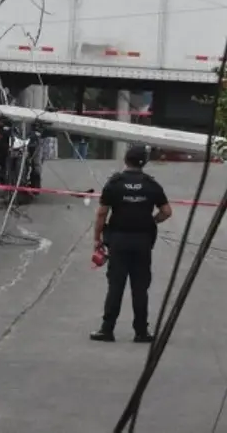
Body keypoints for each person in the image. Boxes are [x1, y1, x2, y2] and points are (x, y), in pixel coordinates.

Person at [90, 144, 172, 343]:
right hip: (143, 242)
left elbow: (102, 213)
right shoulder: (151, 185)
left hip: (118, 241)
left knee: (115, 286)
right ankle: (141, 332)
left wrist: (97, 238)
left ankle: (107, 330)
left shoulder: (114, 183)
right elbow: (167, 211)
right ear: (143, 162)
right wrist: (152, 221)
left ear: (126, 160)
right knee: (140, 288)